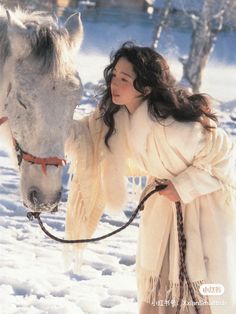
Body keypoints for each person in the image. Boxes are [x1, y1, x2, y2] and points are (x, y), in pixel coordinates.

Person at [65, 42, 236, 314]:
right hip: (162, 208)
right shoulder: (116, 117)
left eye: (125, 78)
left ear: (145, 87)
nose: (115, 83)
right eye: (114, 76)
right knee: (157, 289)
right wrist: (28, 126)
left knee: (199, 293)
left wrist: (183, 186)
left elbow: (223, 154)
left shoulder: (172, 123)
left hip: (201, 210)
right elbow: (84, 136)